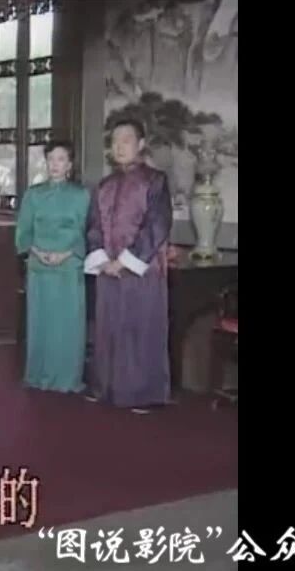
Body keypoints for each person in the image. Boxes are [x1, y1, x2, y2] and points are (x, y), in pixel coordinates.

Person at [84, 119, 173, 413]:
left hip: (142, 269)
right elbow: (94, 226)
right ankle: (106, 387)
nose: (119, 146)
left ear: (141, 144)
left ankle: (144, 394)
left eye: (126, 140)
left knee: (140, 330)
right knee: (108, 329)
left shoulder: (155, 180)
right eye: (115, 141)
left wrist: (125, 261)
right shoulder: (104, 185)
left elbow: (157, 225)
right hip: (107, 268)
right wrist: (102, 259)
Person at [15, 141, 89, 393]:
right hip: (39, 268)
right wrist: (37, 252)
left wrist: (66, 253)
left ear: (70, 165)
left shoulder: (82, 195)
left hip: (69, 267)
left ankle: (68, 378)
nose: (55, 164)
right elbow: (23, 232)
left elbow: (87, 232)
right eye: (51, 159)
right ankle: (38, 375)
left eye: (61, 159)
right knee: (41, 324)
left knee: (68, 325)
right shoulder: (33, 195)